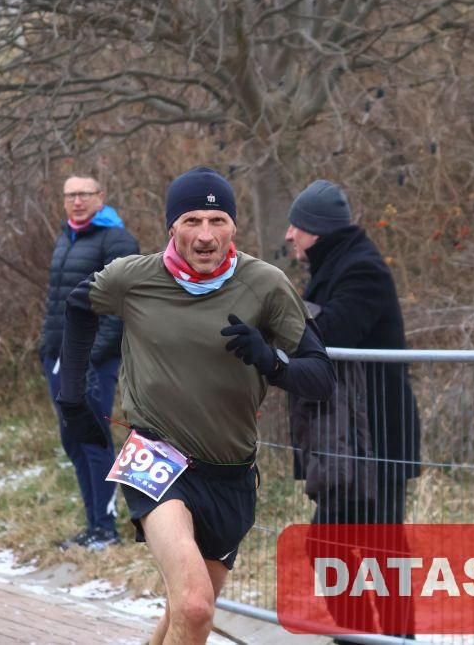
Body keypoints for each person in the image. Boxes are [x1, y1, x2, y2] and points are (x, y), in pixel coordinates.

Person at [56, 166, 335, 644]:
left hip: (231, 473)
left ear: (233, 227)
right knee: (194, 605)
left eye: (217, 221)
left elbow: (322, 377)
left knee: (183, 615)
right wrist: (73, 400)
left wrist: (270, 361)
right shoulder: (134, 278)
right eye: (192, 221)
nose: (205, 236)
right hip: (155, 457)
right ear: (172, 228)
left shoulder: (265, 284)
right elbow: (79, 306)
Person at [285, 179, 421, 639]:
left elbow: (333, 332)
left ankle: (392, 639)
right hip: (347, 441)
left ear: (318, 229)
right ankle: (367, 637)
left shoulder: (362, 269)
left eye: (297, 226)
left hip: (375, 440)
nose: (289, 234)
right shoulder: (337, 265)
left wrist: (277, 312)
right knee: (336, 547)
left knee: (375, 551)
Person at [39, 175, 139, 551]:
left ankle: (106, 529)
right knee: (73, 440)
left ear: (101, 197)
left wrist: (95, 353)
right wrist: (46, 347)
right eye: (70, 195)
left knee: (94, 438)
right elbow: (57, 299)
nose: (77, 201)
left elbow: (123, 303)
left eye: (84, 194)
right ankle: (92, 524)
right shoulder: (66, 236)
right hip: (59, 357)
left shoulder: (116, 239)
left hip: (92, 360)